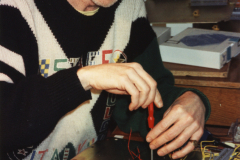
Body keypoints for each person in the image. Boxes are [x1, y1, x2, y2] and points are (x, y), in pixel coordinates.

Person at [0, 0, 210, 159]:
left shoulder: (130, 8)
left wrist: (190, 101)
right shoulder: (12, 8)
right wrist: (83, 78)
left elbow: (147, 97)